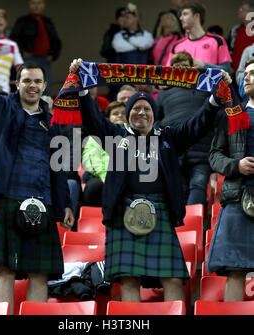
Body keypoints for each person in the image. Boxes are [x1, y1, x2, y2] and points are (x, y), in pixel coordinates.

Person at [69, 58, 231, 303]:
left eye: (146, 109)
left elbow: (197, 124)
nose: (141, 112)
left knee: (174, 278)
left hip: (160, 209)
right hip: (123, 211)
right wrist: (82, 89)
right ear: (127, 114)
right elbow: (92, 119)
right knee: (129, 277)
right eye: (135, 108)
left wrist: (214, 99)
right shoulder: (116, 135)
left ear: (154, 114)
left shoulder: (167, 136)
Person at [0, 24, 74, 314]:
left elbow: (59, 167)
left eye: (37, 81)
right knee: (4, 269)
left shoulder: (55, 122)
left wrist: (65, 205)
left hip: (44, 200)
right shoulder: (1, 108)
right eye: (26, 81)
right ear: (17, 84)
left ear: (44, 85)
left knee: (39, 273)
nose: (32, 85)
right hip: (8, 198)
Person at [206, 57, 254, 301]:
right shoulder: (230, 114)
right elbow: (214, 156)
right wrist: (237, 165)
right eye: (245, 73)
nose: (246, 77)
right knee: (235, 270)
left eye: (252, 73)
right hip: (237, 197)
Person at [156, 51, 222, 210]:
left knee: (191, 186)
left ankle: (188, 227)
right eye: (177, 66)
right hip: (186, 147)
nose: (180, 69)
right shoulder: (203, 87)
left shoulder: (165, 92)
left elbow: (156, 121)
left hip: (188, 147)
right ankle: (189, 226)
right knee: (194, 186)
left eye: (184, 65)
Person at [10, 0, 62, 95]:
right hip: (28, 59)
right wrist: (23, 52)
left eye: (39, 3)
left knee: (44, 88)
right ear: (29, 5)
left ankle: (44, 109)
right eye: (33, 3)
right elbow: (14, 39)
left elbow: (56, 41)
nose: (36, 6)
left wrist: (53, 55)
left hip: (45, 60)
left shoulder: (48, 22)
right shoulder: (23, 21)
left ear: (43, 5)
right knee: (28, 87)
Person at [82, 101, 127, 207]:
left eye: (123, 113)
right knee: (94, 187)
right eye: (115, 113)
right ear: (108, 118)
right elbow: (91, 158)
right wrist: (105, 175)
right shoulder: (96, 134)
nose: (120, 115)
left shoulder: (134, 133)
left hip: (126, 177)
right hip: (102, 177)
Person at [166, 1, 232, 72]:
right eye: (180, 15)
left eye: (185, 14)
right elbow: (167, 72)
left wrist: (204, 65)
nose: (181, 18)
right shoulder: (176, 46)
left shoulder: (218, 41)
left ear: (196, 16)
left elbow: (227, 70)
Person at [228, 2, 254, 75]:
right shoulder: (235, 30)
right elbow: (229, 50)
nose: (238, 11)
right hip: (235, 73)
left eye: (243, 9)